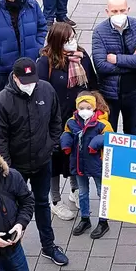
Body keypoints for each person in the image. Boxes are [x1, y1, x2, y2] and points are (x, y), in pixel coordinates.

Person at [0, 58, 68, 266]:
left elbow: (55, 120)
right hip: (16, 168)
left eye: (32, 79)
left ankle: (49, 246)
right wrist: (8, 170)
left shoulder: (46, 90)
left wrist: (50, 146)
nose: (30, 84)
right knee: (13, 209)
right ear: (14, 78)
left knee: (42, 203)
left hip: (42, 162)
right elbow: (0, 141)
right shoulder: (2, 102)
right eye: (24, 80)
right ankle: (12, 251)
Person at [37, 22, 98, 220]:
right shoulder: (45, 62)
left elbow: (93, 84)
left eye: (73, 37)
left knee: (74, 155)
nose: (72, 42)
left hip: (78, 119)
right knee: (54, 159)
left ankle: (74, 190)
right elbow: (41, 91)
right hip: (54, 120)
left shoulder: (82, 57)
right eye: (67, 39)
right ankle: (55, 199)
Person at [91, 0, 136, 134]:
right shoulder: (99, 32)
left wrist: (117, 59)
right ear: (107, 12)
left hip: (134, 91)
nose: (118, 14)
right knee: (108, 133)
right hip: (109, 94)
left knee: (133, 132)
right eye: (114, 11)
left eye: (122, 10)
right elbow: (101, 66)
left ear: (128, 9)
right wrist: (133, 61)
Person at [60, 91, 112, 238]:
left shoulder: (102, 124)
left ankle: (103, 221)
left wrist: (97, 142)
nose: (84, 111)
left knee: (102, 191)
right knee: (82, 193)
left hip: (96, 163)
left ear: (94, 108)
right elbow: (67, 132)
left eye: (88, 108)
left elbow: (110, 137)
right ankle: (85, 218)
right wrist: (66, 141)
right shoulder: (71, 122)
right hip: (79, 163)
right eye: (81, 108)